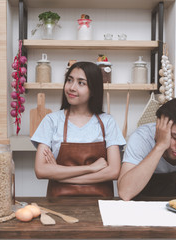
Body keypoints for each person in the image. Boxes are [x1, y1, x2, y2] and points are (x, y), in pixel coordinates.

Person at [31, 61, 126, 197]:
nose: (72, 87)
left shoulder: (107, 122)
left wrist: (59, 174)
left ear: (93, 89)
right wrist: (91, 168)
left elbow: (114, 171)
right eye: (69, 80)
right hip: (59, 202)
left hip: (101, 203)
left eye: (81, 83)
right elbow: (40, 170)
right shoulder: (51, 121)